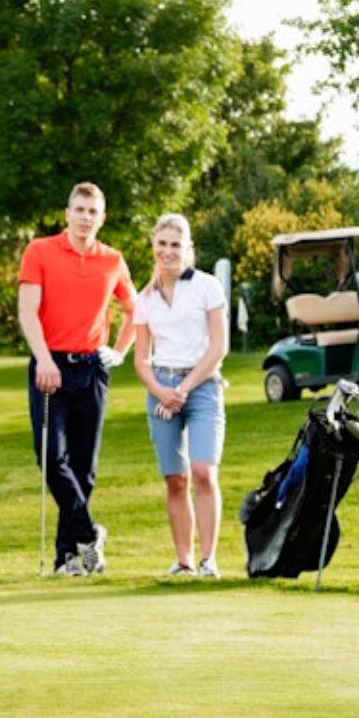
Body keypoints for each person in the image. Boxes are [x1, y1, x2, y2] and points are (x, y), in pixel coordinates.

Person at [16, 183, 136, 577]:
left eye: (93, 212)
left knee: (84, 469)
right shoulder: (40, 251)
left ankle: (70, 557)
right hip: (50, 368)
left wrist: (118, 351)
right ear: (67, 213)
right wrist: (44, 359)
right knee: (51, 458)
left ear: (101, 218)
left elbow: (136, 311)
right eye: (79, 210)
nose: (86, 217)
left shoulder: (112, 260)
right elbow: (28, 313)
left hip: (92, 370)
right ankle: (89, 534)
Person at [130, 213, 230, 577]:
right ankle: (184, 561)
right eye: (162, 244)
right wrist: (161, 392)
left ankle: (208, 560)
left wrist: (183, 390)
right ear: (154, 247)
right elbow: (141, 359)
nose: (169, 251)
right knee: (176, 478)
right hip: (162, 390)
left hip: (202, 386)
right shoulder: (144, 298)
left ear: (188, 250)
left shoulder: (207, 287)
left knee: (203, 471)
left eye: (176, 245)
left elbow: (219, 347)